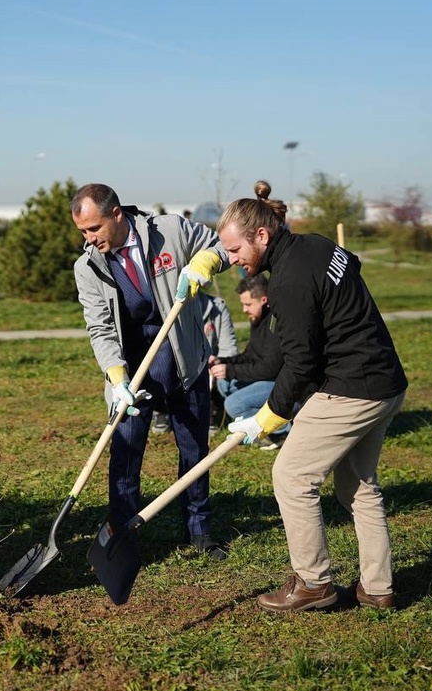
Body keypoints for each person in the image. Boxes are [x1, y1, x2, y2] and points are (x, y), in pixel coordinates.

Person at [217, 180, 407, 613]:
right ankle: (378, 588)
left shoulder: (288, 285)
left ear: (261, 236)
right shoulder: (316, 245)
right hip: (386, 381)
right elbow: (352, 264)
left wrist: (268, 416)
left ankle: (313, 582)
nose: (231, 260)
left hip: (351, 388)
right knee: (359, 486)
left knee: (291, 476)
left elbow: (300, 366)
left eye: (234, 250)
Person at [72, 183, 230, 560]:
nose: (89, 239)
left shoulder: (170, 231)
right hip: (132, 371)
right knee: (125, 453)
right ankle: (124, 536)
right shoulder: (88, 267)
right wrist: (116, 378)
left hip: (183, 360)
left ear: (116, 215)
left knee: (194, 449)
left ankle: (199, 529)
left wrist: (206, 261)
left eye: (94, 229)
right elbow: (100, 327)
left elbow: (224, 243)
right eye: (82, 232)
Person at [207, 275, 290, 450]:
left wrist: (230, 371)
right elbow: (251, 354)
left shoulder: (277, 321)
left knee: (233, 404)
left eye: (248, 304)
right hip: (268, 378)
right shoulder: (258, 318)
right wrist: (223, 361)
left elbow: (270, 369)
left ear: (264, 300)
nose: (244, 309)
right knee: (224, 385)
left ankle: (284, 430)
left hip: (284, 384)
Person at [153, 292, 236, 436]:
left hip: (208, 370)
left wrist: (217, 360)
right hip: (177, 367)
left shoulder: (217, 307)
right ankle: (162, 408)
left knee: (221, 370)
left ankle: (212, 407)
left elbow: (229, 349)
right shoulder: (164, 308)